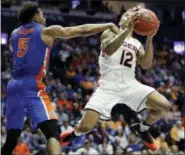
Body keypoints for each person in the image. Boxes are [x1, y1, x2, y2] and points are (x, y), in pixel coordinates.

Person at [1, 2, 119, 155]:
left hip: (13, 85)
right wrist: (106, 25)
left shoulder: (15, 34)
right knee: (53, 133)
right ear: (36, 15)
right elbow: (81, 30)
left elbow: (17, 48)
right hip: (32, 84)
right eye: (42, 14)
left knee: (11, 139)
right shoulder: (46, 31)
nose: (44, 17)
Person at [61, 5, 171, 151]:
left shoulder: (136, 43)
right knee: (85, 127)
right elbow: (109, 49)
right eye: (126, 16)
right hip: (108, 87)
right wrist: (127, 31)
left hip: (130, 85)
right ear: (120, 21)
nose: (129, 18)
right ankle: (74, 134)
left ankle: (142, 128)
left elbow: (146, 64)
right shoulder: (110, 31)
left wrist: (150, 38)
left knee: (164, 106)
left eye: (131, 17)